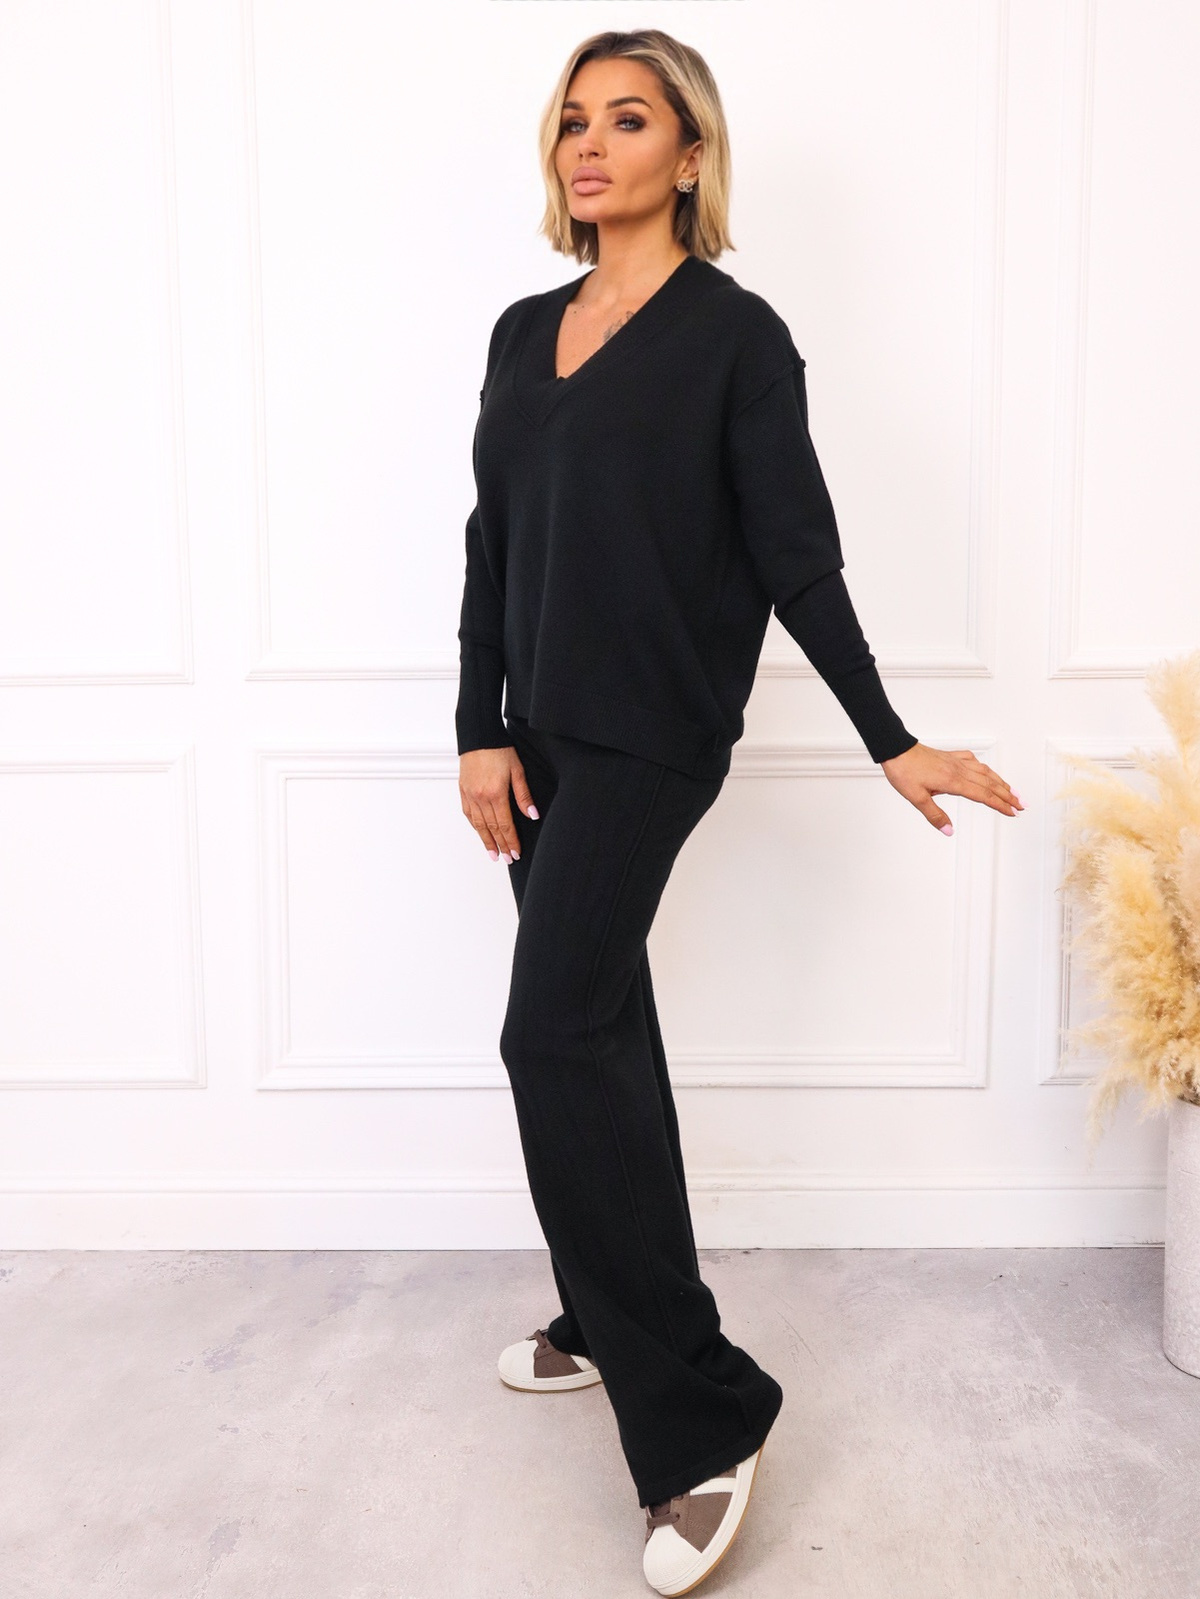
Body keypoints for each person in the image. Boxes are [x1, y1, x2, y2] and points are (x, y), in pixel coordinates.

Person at [454, 28, 1023, 1597]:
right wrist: (477, 729)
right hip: (538, 742)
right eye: (574, 120)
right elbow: (493, 540)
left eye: (629, 119)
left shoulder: (735, 337)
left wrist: (890, 738)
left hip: (651, 740)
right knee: (602, 1033)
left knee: (548, 1033)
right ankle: (605, 1306)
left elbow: (795, 555)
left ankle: (704, 1417)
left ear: (690, 155)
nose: (591, 144)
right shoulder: (522, 332)